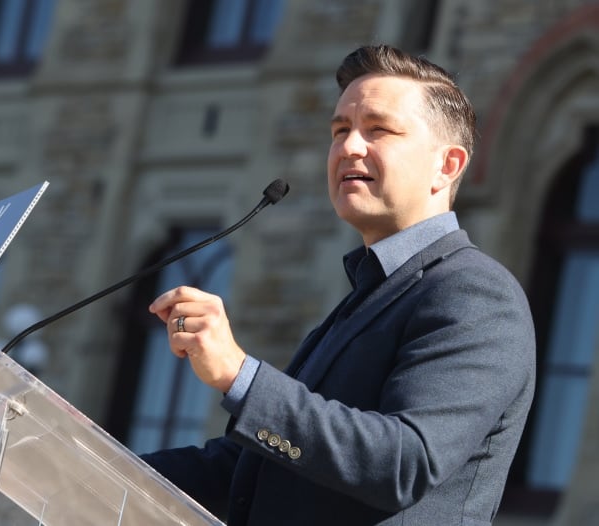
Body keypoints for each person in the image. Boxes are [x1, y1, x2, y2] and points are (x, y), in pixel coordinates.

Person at [141, 44, 535, 526]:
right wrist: (75, 454)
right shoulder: (369, 294)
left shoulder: (475, 295)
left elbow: (403, 464)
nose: (349, 146)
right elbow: (255, 469)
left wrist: (238, 375)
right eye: (340, 130)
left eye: (378, 130)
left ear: (447, 165)